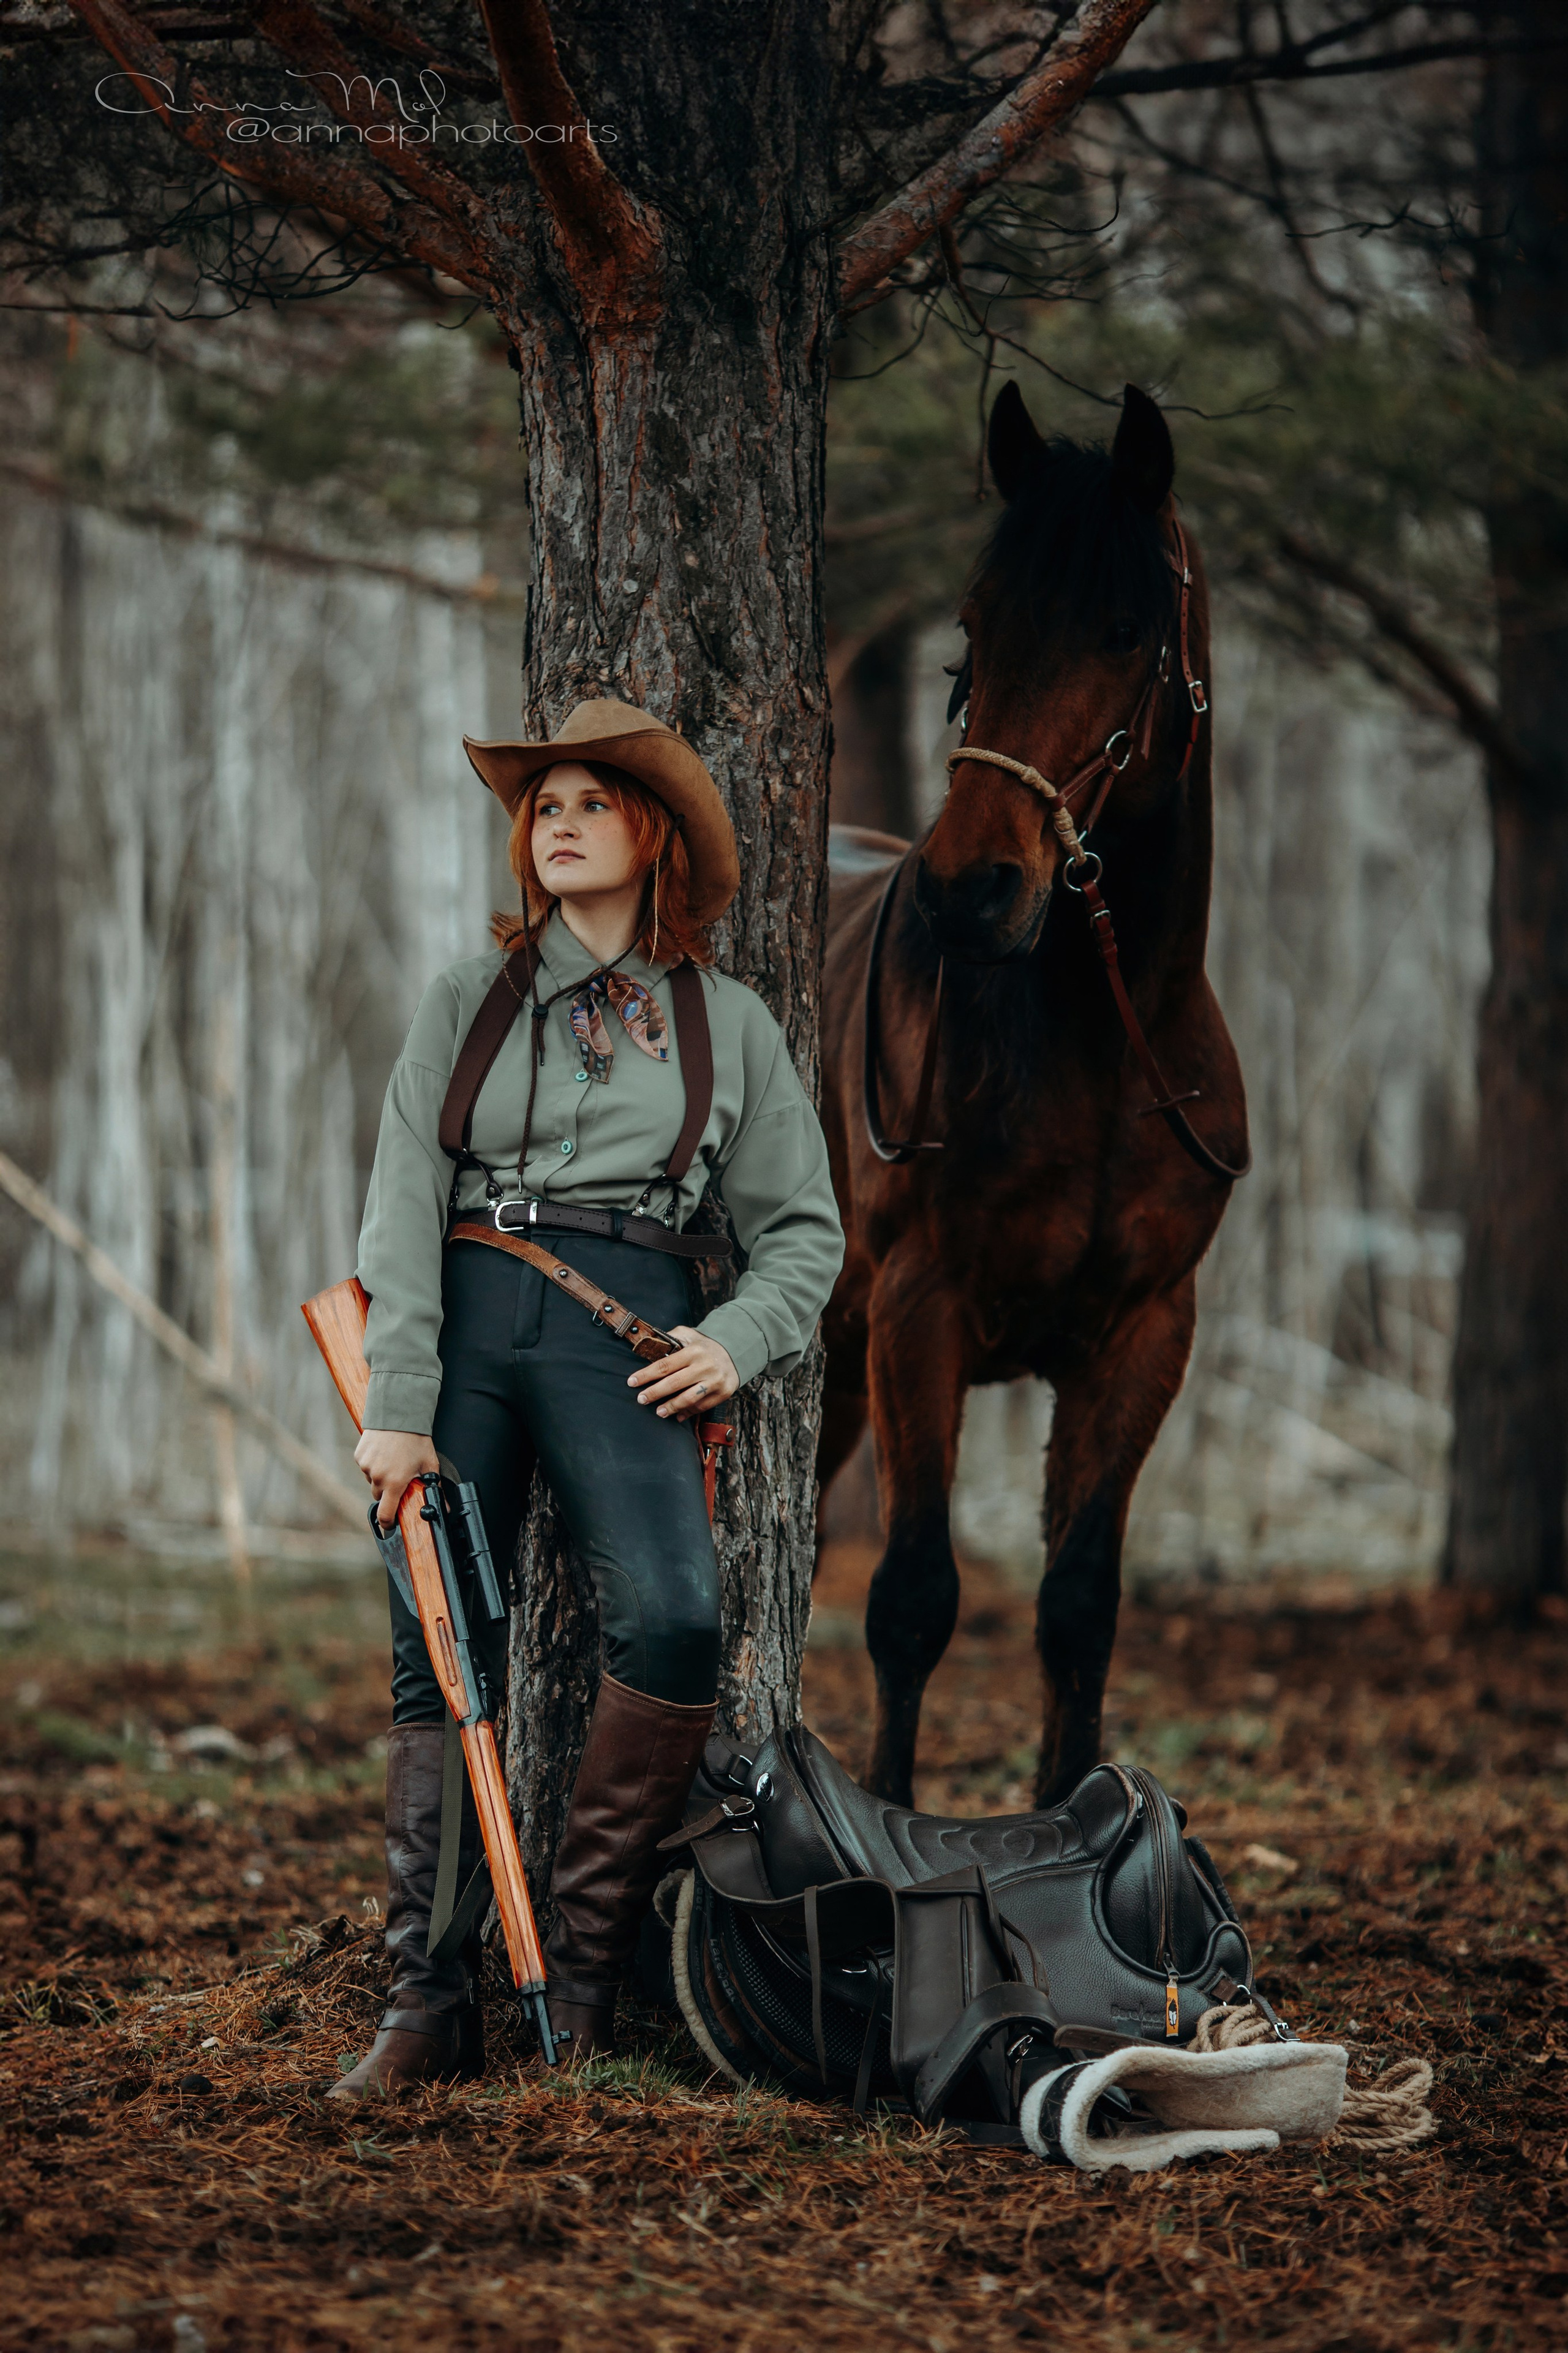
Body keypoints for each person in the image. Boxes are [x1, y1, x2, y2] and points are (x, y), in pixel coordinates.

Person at [330, 698, 844, 2097]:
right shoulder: (464, 1000)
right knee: (441, 1651)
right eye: (540, 804)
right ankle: (426, 2002)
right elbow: (399, 1209)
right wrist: (399, 1397)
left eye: (588, 803)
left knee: (676, 1617)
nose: (554, 823)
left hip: (631, 1334)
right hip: (465, 1320)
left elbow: (804, 1231)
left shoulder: (726, 1025)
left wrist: (736, 1339)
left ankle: (583, 1985)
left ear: (651, 836)